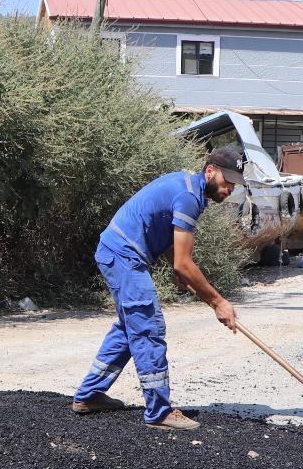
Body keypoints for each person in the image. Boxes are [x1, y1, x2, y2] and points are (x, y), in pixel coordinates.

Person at [70, 147, 245, 430]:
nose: (231, 188)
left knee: (130, 328)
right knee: (148, 327)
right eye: (228, 181)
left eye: (235, 184)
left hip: (118, 251)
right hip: (123, 255)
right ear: (210, 171)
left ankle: (88, 396)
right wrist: (218, 302)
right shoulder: (189, 197)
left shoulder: (191, 191)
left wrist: (177, 269)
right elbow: (184, 263)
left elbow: (166, 237)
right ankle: (159, 412)